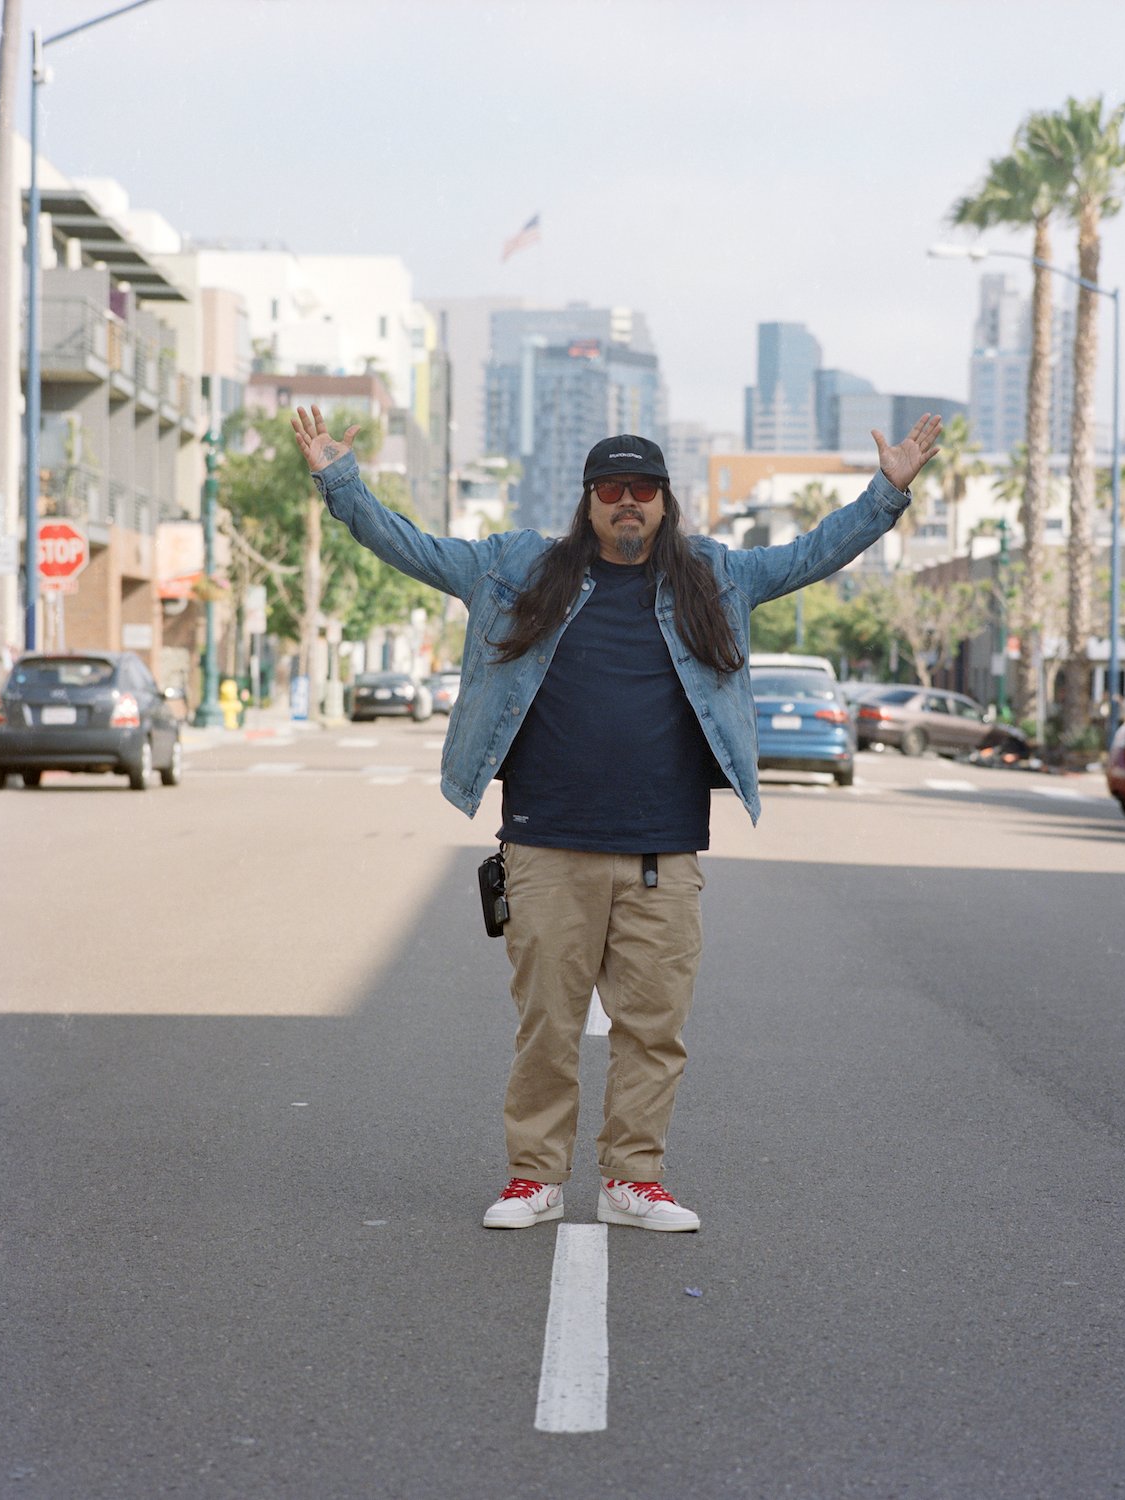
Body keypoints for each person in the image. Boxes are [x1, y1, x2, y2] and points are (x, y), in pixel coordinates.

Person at [292, 405, 941, 1232]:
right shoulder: (517, 569)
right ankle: (535, 1178)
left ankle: (634, 1179)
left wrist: (885, 493)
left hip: (662, 851)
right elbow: (412, 548)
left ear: (665, 500)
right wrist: (339, 482)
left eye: (642, 487)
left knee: (653, 1028)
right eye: (611, 486)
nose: (626, 500)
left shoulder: (712, 577)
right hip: (546, 842)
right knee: (546, 1029)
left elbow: (812, 555)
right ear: (588, 498)